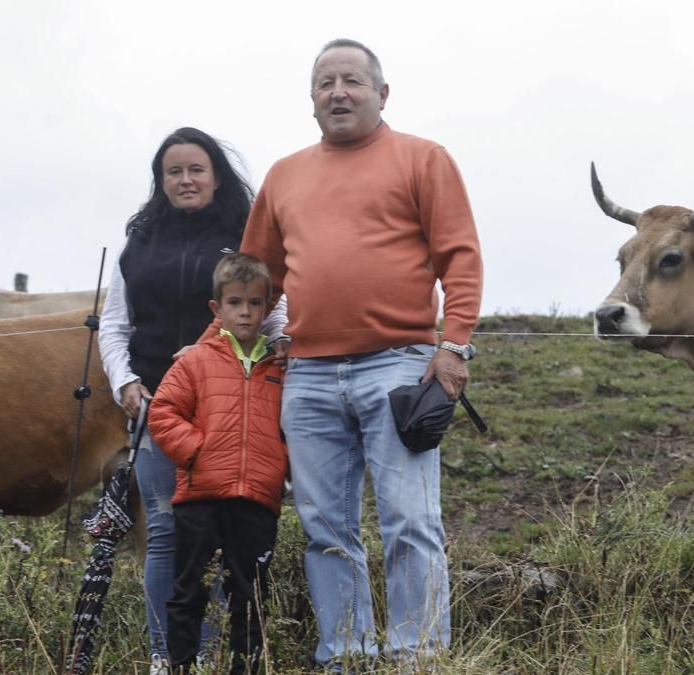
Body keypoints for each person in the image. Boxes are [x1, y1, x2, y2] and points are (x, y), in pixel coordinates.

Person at [238, 39, 484, 669]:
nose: (338, 91)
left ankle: (417, 656)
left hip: (400, 364)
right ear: (312, 99)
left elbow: (460, 257)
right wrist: (232, 345)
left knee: (410, 521)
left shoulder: (423, 158)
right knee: (326, 529)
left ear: (382, 93)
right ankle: (346, 655)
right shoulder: (284, 175)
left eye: (352, 80)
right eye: (325, 83)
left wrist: (452, 347)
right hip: (309, 373)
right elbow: (256, 275)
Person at [99, 128, 284, 674]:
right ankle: (173, 658)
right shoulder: (140, 243)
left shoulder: (247, 235)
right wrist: (125, 383)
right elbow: (115, 325)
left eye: (197, 169)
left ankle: (235, 653)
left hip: (236, 406)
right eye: (173, 171)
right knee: (163, 530)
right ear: (161, 181)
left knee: (233, 532)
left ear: (217, 176)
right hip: (159, 406)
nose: (186, 180)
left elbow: (276, 311)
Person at [148, 252, 288, 675]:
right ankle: (181, 666)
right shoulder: (194, 360)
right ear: (217, 308)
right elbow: (162, 413)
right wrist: (197, 451)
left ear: (267, 307)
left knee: (249, 593)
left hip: (258, 501)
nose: (245, 312)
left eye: (255, 303)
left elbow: (295, 425)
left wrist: (282, 467)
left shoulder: (282, 367)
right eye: (234, 303)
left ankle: (245, 668)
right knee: (190, 588)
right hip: (200, 496)